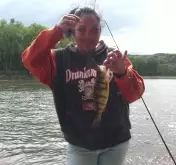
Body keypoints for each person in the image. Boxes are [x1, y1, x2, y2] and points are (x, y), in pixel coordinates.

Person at [21, 6, 145, 165]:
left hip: (117, 142)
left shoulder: (115, 58)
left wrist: (122, 73)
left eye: (94, 30)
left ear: (100, 31)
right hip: (80, 145)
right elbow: (29, 60)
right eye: (82, 30)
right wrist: (56, 31)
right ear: (72, 32)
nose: (88, 36)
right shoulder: (57, 60)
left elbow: (135, 94)